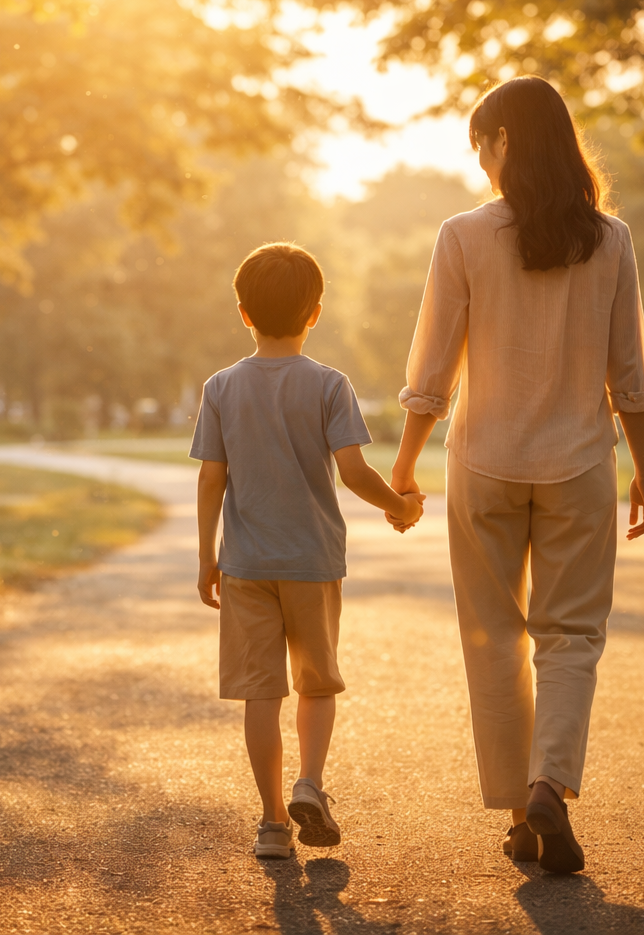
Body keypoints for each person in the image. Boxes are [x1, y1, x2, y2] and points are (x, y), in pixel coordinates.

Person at [388, 77, 644, 874]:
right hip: (580, 463)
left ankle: (518, 812)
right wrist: (643, 471)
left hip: (484, 463)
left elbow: (431, 369)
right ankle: (549, 786)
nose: (480, 161)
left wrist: (404, 464)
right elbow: (630, 375)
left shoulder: (463, 235)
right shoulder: (610, 240)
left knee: (493, 636)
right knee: (571, 634)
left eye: (481, 144)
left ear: (504, 141)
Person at [192, 242, 427, 860]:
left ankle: (271, 824)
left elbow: (211, 479)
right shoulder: (329, 384)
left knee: (260, 694)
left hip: (244, 565)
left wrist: (205, 556)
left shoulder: (220, 388)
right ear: (315, 312)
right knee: (316, 685)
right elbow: (352, 471)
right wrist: (401, 507)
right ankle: (310, 784)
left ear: (242, 313)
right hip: (313, 562)